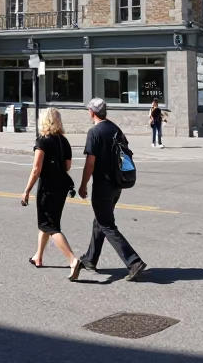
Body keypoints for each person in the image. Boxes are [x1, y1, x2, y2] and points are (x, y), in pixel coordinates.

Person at [77, 98, 147, 281]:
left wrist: (83, 185)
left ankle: (133, 262)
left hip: (102, 185)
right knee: (100, 221)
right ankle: (90, 259)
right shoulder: (115, 129)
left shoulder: (94, 132)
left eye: (88, 110)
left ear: (92, 112)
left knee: (106, 224)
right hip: (117, 184)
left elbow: (90, 164)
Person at [21, 108, 83, 281]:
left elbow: (36, 169)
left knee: (51, 226)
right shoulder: (64, 141)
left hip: (47, 187)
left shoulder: (43, 141)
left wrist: (26, 190)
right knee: (48, 222)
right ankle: (38, 256)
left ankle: (72, 260)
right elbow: (68, 166)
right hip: (61, 187)